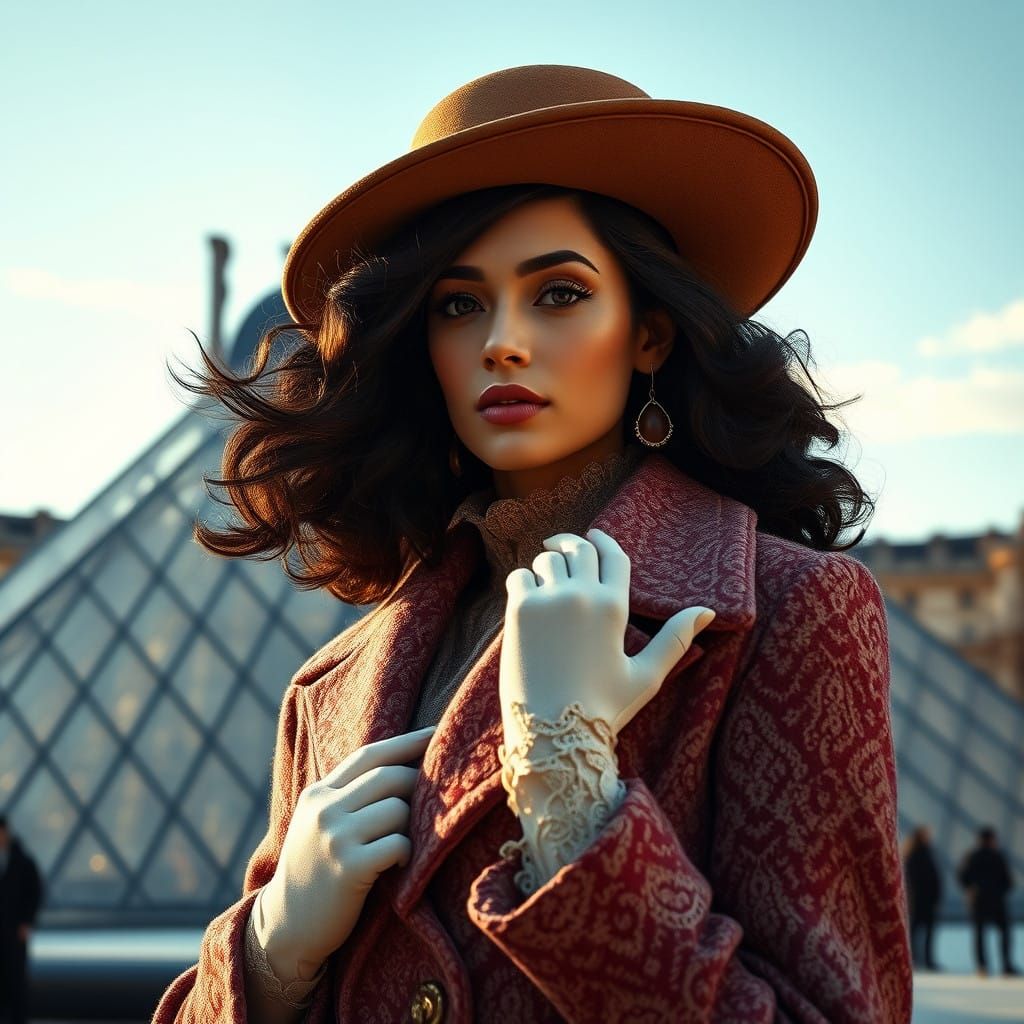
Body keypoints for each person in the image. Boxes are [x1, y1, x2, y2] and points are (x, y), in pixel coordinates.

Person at [153, 65, 913, 1022]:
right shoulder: (328, 687)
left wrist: (572, 787)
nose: (502, 342)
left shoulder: (790, 612)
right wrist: (271, 950)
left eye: (558, 292)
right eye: (458, 304)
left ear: (649, 333)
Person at [958, 826, 1018, 977]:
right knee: (1004, 932)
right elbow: (1007, 880)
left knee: (979, 934)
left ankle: (982, 966)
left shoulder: (973, 856)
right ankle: (1006, 965)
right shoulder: (997, 856)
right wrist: (1001, 890)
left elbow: (963, 877)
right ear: (991, 839)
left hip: (979, 900)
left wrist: (972, 889)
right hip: (997, 900)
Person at [0, 815, 43, 1024]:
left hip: (14, 932)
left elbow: (35, 893)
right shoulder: (22, 860)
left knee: (15, 980)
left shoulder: (23, 862)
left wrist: (26, 922)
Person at [902, 824, 943, 970]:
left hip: (924, 900)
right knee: (918, 931)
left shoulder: (922, 853)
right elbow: (918, 879)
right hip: (920, 900)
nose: (929, 837)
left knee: (921, 931)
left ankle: (921, 959)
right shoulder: (917, 855)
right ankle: (918, 959)